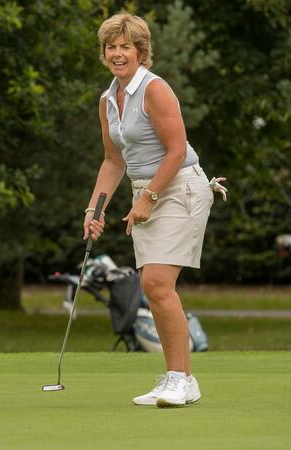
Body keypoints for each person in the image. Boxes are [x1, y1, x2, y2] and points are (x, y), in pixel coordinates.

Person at [83, 11, 227, 408]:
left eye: (125, 46)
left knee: (157, 283)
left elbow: (177, 150)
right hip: (145, 189)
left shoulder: (155, 89)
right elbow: (113, 161)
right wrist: (94, 209)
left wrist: (149, 199)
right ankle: (178, 378)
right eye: (111, 47)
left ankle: (181, 379)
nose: (117, 53)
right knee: (153, 286)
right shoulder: (107, 99)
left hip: (180, 187)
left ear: (141, 51)